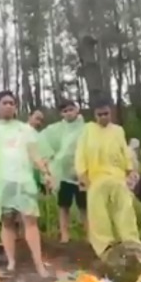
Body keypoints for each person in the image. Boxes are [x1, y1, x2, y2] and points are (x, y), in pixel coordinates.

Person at [0, 91, 53, 277]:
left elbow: (35, 154)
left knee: (30, 221)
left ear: (16, 107)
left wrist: (45, 172)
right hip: (2, 184)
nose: (8, 106)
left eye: (12, 103)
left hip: (22, 183)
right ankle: (12, 262)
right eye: (5, 103)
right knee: (7, 223)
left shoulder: (24, 130)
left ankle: (39, 264)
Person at [75, 98, 141, 258]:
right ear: (94, 115)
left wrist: (129, 170)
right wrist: (82, 174)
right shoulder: (87, 130)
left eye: (106, 114)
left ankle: (131, 242)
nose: (103, 117)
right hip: (96, 178)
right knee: (99, 214)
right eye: (100, 114)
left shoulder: (118, 130)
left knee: (125, 210)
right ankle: (104, 247)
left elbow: (124, 151)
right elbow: (81, 153)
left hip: (117, 177)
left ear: (111, 113)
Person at [38, 99, 87, 243]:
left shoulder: (86, 128)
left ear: (77, 109)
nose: (68, 113)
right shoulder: (57, 129)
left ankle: (88, 234)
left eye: (71, 109)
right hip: (64, 175)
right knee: (63, 206)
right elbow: (44, 141)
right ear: (61, 114)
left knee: (84, 207)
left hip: (81, 174)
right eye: (65, 111)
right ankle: (64, 235)